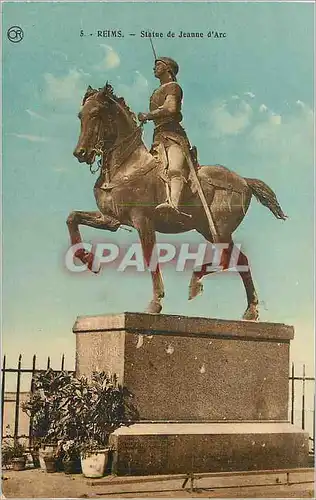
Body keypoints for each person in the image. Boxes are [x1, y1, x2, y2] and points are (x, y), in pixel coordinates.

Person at [138, 57, 192, 215]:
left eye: (158, 65)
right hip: (158, 137)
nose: (154, 68)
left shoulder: (173, 87)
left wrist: (148, 115)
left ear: (168, 68)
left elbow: (170, 108)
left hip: (173, 136)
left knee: (174, 169)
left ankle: (174, 205)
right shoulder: (155, 92)